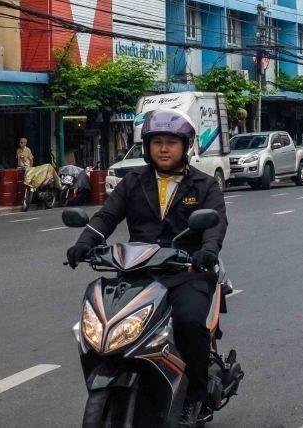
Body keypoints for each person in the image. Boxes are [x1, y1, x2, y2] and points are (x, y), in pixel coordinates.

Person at [65, 109, 228, 427]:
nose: (164, 149)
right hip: (138, 271)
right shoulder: (133, 182)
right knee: (104, 322)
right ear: (147, 146)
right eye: (157, 142)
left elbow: (215, 223)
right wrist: (84, 244)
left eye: (171, 142)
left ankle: (195, 395)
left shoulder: (204, 185)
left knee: (189, 322)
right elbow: (106, 217)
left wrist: (208, 251)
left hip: (187, 272)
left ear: (186, 146)